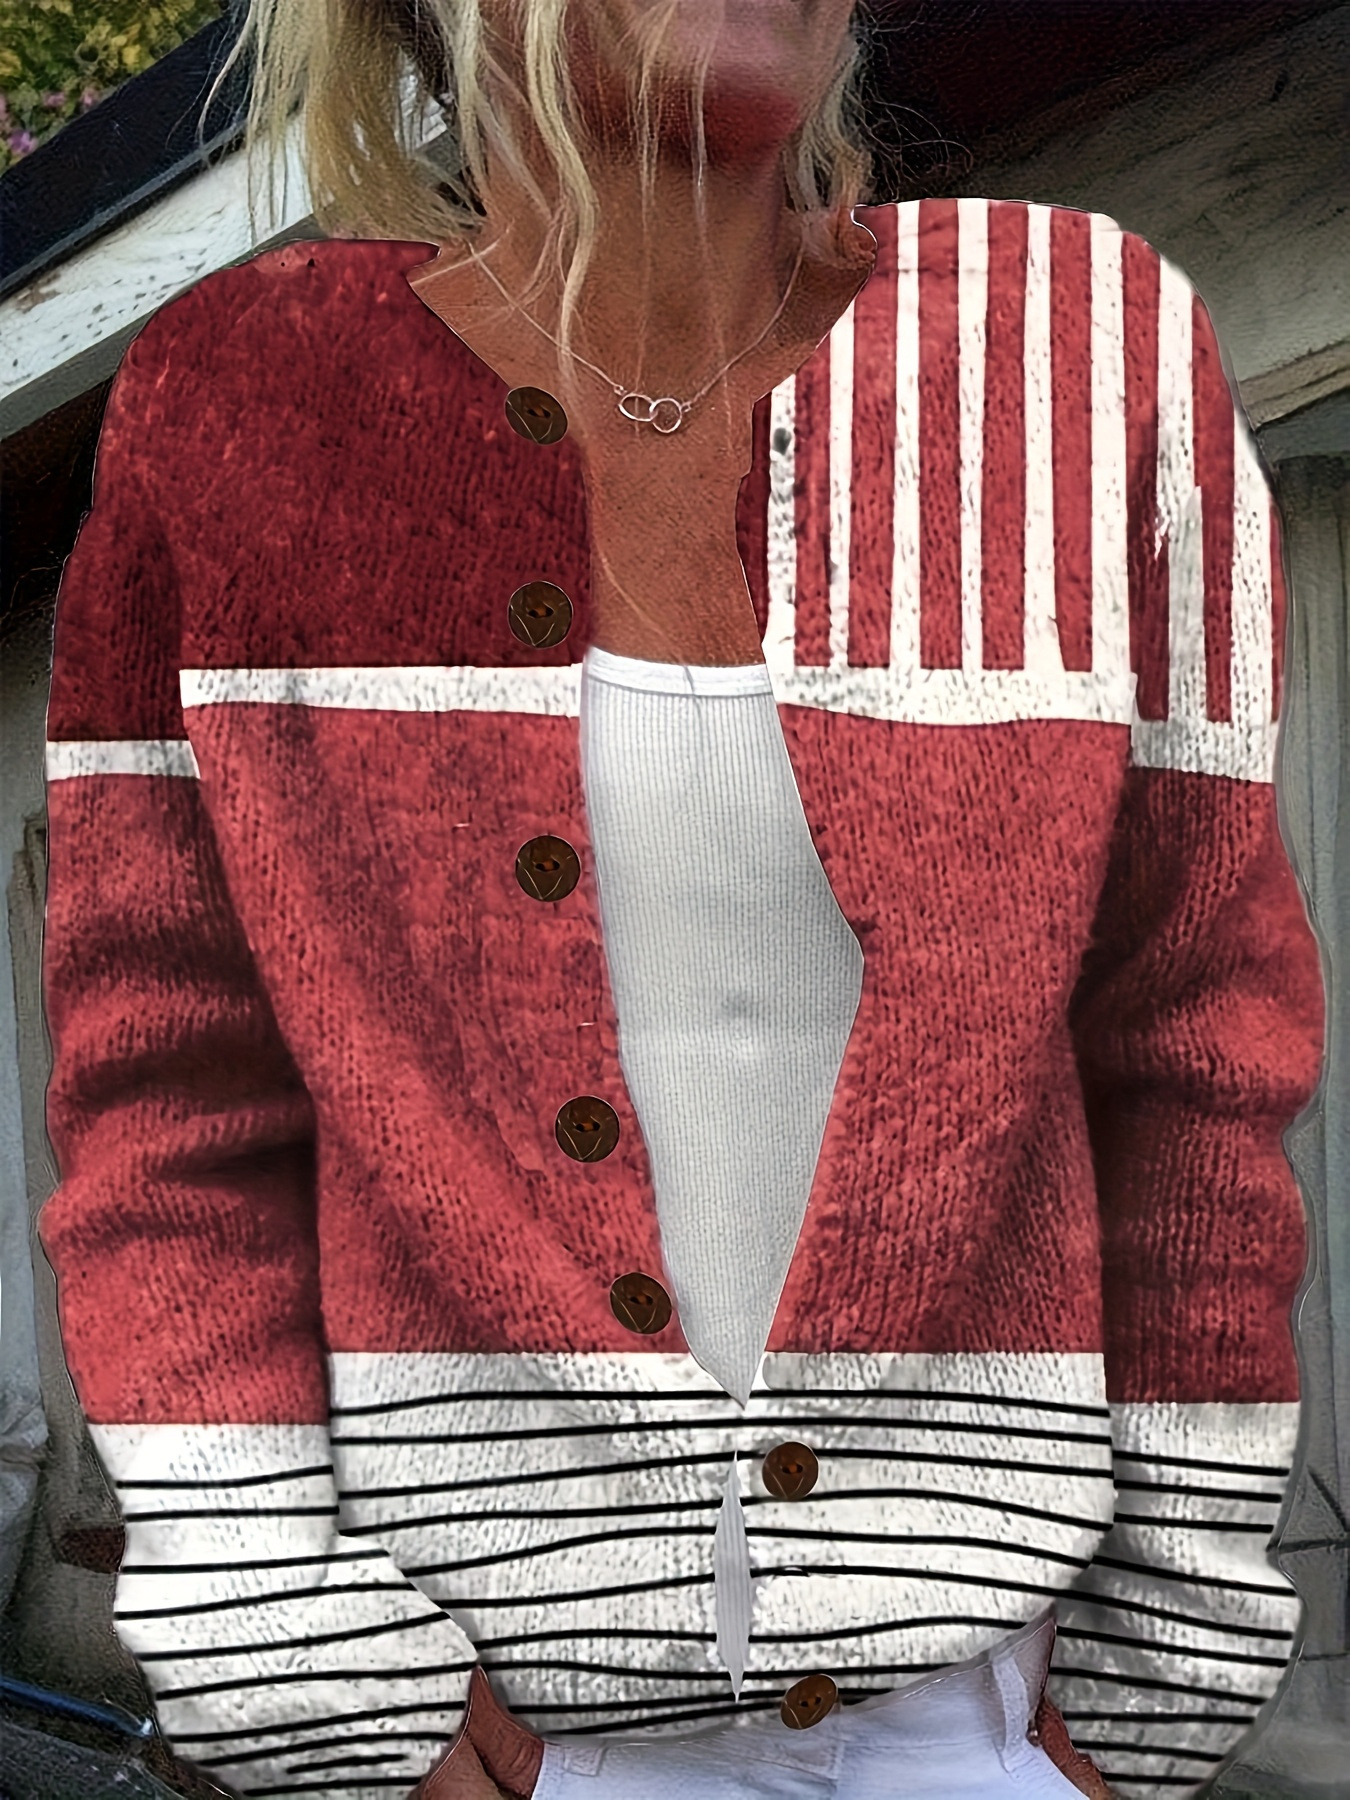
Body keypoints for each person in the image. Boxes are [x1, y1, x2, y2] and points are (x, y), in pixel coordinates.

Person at [37, 1, 1324, 1797]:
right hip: (483, 1741)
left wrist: (1162, 1668)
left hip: (984, 1732)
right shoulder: (243, 404)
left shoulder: (1079, 347)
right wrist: (289, 1644)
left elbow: (1191, 1040)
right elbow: (171, 1098)